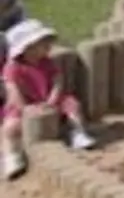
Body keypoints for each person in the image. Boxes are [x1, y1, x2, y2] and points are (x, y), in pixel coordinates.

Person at [3, 19, 96, 179]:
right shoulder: (13, 68)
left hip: (48, 99)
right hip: (23, 104)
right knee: (10, 127)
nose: (49, 45)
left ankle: (77, 132)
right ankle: (12, 155)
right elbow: (13, 90)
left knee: (72, 105)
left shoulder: (46, 62)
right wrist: (24, 108)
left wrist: (52, 100)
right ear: (28, 47)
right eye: (43, 42)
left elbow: (57, 81)